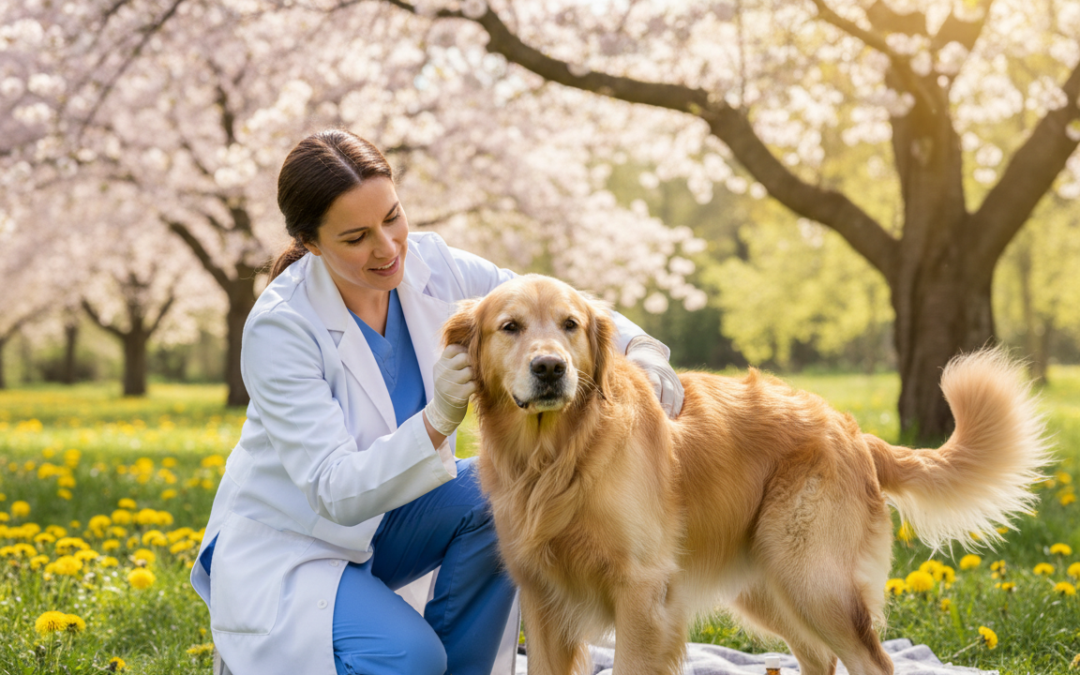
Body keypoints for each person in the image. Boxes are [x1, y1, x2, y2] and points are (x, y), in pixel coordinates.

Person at [189, 129, 684, 675]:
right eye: (356, 237)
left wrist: (641, 349)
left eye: (393, 217)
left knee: (498, 494)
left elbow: (552, 299)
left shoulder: (433, 265)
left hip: (390, 522)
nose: (387, 247)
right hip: (294, 542)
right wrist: (437, 420)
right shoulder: (281, 327)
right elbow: (334, 491)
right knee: (412, 657)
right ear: (310, 243)